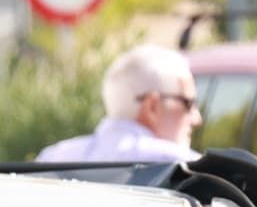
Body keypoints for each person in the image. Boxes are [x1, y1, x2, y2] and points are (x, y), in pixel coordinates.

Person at [36, 45, 202, 164]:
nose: (196, 118)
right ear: (152, 106)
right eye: (188, 103)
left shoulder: (51, 159)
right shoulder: (184, 166)